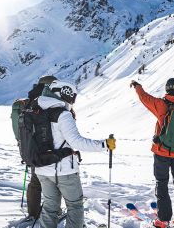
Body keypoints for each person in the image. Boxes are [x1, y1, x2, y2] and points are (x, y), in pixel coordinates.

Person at [34, 80, 116, 228]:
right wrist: (104, 144)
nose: (72, 101)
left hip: (42, 169)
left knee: (49, 208)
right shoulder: (63, 115)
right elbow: (77, 142)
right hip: (64, 171)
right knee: (75, 206)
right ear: (63, 93)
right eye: (71, 97)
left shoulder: (36, 111)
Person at [130, 78, 174, 228]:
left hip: (161, 152)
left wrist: (137, 87)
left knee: (162, 183)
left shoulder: (162, 104)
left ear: (167, 89)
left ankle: (163, 220)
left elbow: (145, 98)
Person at [11, 75, 58, 220]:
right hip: (49, 149)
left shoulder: (28, 102)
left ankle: (33, 213)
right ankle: (52, 213)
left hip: (30, 149)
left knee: (35, 182)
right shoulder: (47, 102)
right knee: (55, 181)